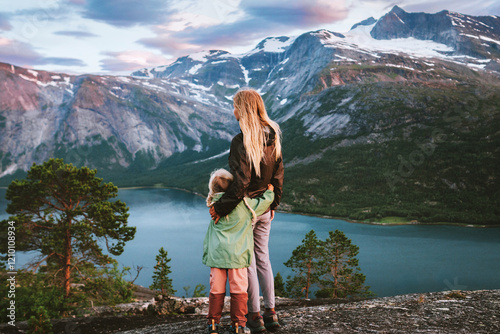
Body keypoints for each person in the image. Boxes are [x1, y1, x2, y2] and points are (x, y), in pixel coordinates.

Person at [210, 89, 284, 333]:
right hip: (264, 207)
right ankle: (271, 313)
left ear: (242, 109)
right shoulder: (273, 134)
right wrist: (273, 204)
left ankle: (254, 316)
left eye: (235, 106)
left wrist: (219, 207)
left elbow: (241, 183)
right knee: (263, 258)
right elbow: (279, 174)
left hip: (247, 210)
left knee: (248, 261)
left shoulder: (241, 140)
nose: (233, 111)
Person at [203, 168, 275, 334]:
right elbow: (263, 203)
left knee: (216, 291)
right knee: (239, 291)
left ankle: (213, 325)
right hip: (238, 256)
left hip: (217, 256)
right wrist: (270, 192)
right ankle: (238, 325)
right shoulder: (245, 205)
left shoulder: (214, 205)